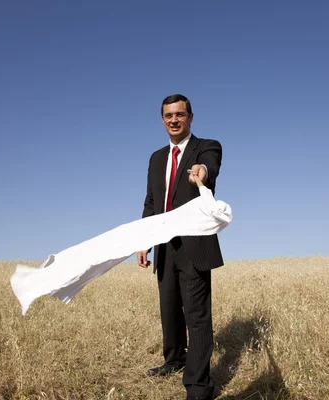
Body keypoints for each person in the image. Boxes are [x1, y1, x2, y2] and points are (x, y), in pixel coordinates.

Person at [137, 94, 224, 400]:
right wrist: (144, 240)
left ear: (190, 117)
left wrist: (203, 172)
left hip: (194, 243)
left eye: (179, 114)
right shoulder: (156, 158)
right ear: (162, 120)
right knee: (169, 309)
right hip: (164, 244)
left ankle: (199, 387)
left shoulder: (207, 147)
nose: (173, 120)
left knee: (197, 316)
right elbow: (151, 201)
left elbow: (209, 167)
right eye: (167, 115)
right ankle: (174, 359)